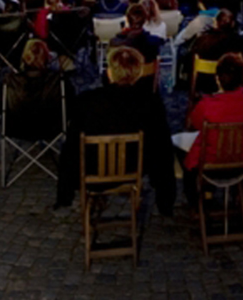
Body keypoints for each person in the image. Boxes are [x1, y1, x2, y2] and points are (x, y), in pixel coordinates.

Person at [56, 47, 175, 215]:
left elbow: (71, 148)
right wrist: (166, 198)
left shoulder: (87, 101)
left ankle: (70, 198)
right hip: (134, 168)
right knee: (159, 144)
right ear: (138, 73)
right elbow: (163, 148)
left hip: (93, 168)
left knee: (70, 145)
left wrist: (64, 192)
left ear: (110, 73)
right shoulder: (150, 104)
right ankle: (164, 205)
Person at [183, 53, 243, 206]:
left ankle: (196, 201)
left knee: (186, 155)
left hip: (209, 165)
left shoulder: (206, 105)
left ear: (217, 79)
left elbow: (193, 124)